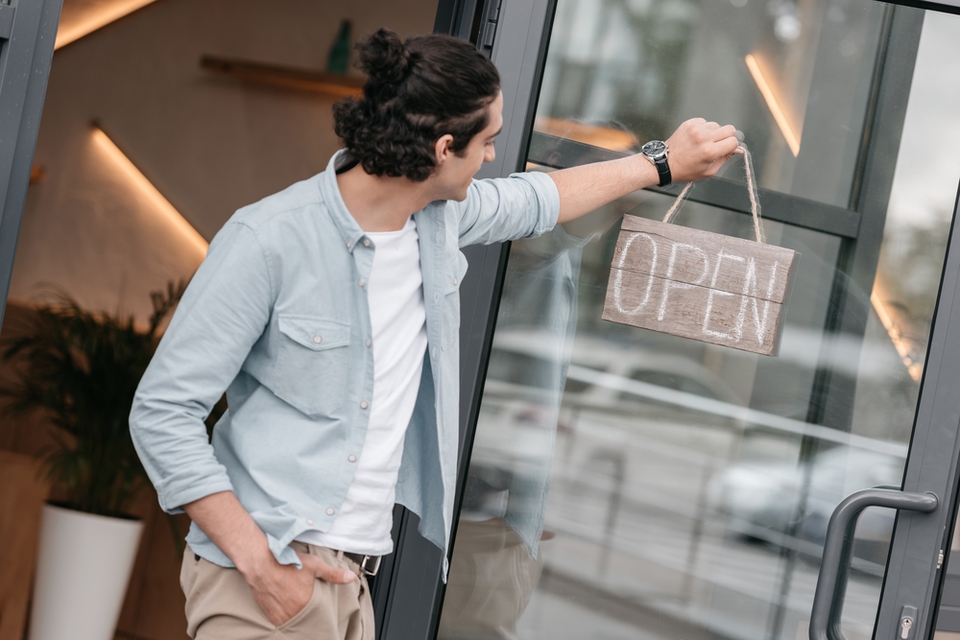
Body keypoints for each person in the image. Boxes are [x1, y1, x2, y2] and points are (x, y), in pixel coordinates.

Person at [129, 28, 740, 640]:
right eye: (489, 141)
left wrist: (661, 163)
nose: (495, 157)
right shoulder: (268, 239)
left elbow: (540, 198)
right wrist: (261, 566)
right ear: (445, 148)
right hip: (262, 579)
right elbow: (162, 415)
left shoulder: (439, 225)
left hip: (351, 585)